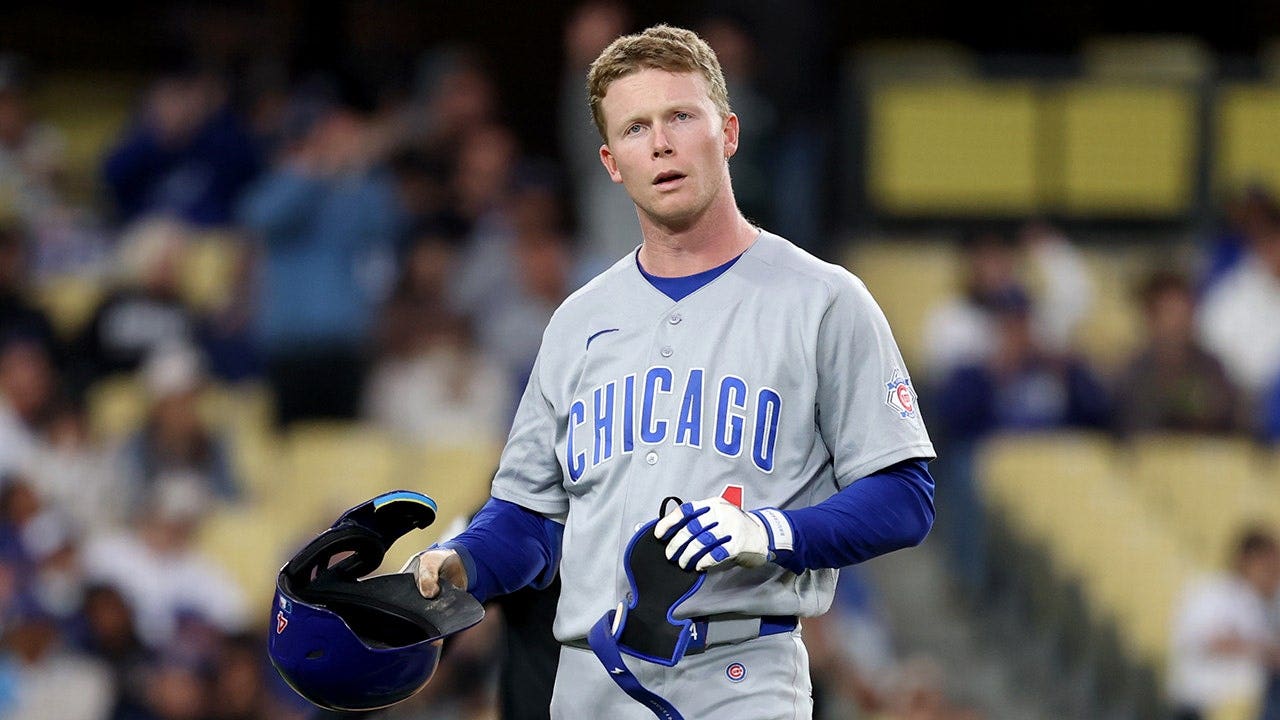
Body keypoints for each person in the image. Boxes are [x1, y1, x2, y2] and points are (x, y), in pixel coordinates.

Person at [409, 25, 935, 720]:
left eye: (681, 116)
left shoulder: (823, 300)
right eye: (635, 128)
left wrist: (772, 533)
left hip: (741, 672)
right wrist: (465, 560)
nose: (660, 143)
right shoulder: (576, 321)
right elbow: (530, 517)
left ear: (729, 132)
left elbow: (905, 496)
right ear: (611, 162)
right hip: (585, 684)